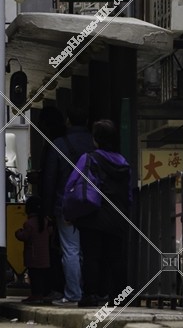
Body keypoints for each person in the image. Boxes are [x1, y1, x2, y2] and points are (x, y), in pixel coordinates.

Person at [64, 119, 132, 306]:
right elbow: (128, 193)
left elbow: (73, 184)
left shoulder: (89, 158)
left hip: (93, 215)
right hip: (117, 216)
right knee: (116, 258)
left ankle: (91, 295)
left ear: (96, 139)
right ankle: (119, 297)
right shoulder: (123, 162)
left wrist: (69, 211)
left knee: (92, 257)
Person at [41, 107, 94, 306]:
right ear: (87, 120)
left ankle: (73, 294)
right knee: (87, 251)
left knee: (70, 249)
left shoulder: (59, 144)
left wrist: (47, 211)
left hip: (66, 205)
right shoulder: (94, 143)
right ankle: (89, 291)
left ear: (69, 121)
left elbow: (49, 178)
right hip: (91, 205)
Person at [15, 196, 54, 303]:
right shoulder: (45, 221)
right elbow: (50, 232)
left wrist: (18, 232)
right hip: (45, 256)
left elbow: (24, 236)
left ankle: (35, 295)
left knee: (35, 276)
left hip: (33, 256)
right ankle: (42, 294)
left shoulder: (29, 223)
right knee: (42, 276)